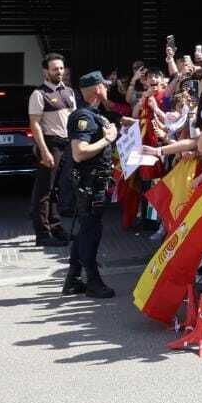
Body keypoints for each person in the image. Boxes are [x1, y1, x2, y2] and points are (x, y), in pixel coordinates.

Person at [62, 72, 120, 299]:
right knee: (90, 232)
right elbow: (79, 152)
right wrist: (108, 139)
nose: (107, 88)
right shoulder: (82, 117)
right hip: (89, 184)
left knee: (85, 230)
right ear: (97, 89)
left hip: (96, 182)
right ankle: (93, 281)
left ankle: (73, 279)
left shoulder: (96, 115)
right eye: (104, 86)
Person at [26, 52, 74, 247]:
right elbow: (35, 124)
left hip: (66, 145)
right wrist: (44, 151)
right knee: (44, 191)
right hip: (50, 144)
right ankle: (42, 234)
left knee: (56, 190)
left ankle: (55, 227)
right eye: (55, 69)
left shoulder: (69, 92)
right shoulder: (39, 94)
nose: (59, 72)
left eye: (61, 68)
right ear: (46, 71)